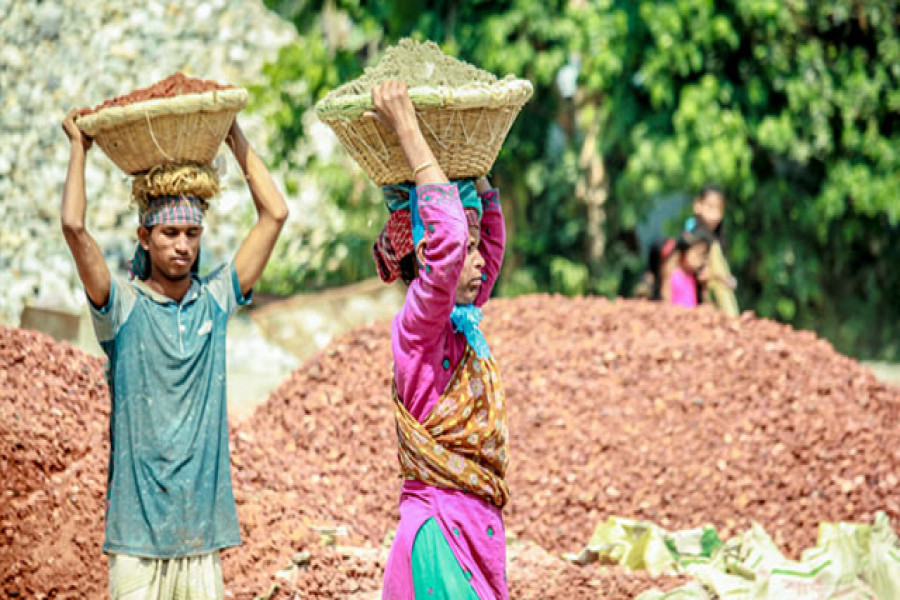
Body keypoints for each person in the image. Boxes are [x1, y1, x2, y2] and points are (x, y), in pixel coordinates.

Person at [60, 109, 289, 599]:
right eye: (169, 233)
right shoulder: (120, 307)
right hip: (136, 540)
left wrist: (233, 134)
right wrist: (79, 148)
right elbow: (74, 227)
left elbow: (276, 215)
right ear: (145, 237)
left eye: (192, 233)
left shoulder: (215, 300)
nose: (182, 245)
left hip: (200, 535)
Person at [369, 81, 510, 600]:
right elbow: (451, 246)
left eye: (477, 248)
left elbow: (485, 241)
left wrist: (476, 160)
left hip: (470, 532)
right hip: (441, 538)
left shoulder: (462, 321)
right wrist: (406, 126)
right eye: (464, 250)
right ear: (427, 258)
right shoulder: (418, 330)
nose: (478, 260)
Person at [685, 184, 739, 316]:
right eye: (710, 207)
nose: (714, 215)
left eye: (719, 209)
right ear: (698, 205)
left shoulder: (717, 237)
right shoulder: (696, 234)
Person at [667, 227, 713, 308]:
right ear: (684, 251)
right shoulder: (673, 275)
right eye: (696, 254)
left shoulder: (694, 276)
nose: (699, 261)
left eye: (702, 256)